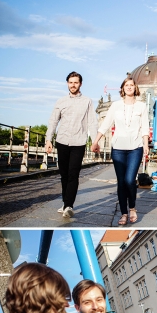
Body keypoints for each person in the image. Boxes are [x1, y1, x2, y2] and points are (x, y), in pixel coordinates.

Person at [91, 77, 150, 225]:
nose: (129, 87)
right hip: (118, 148)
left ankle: (133, 208)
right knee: (121, 182)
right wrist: (96, 140)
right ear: (122, 89)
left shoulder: (142, 106)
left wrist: (146, 144)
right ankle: (123, 213)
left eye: (131, 85)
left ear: (135, 88)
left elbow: (144, 127)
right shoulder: (115, 105)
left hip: (135, 147)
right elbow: (105, 124)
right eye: (126, 85)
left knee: (130, 180)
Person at [45, 71, 99, 219]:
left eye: (76, 82)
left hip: (78, 142)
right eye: (70, 82)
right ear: (67, 84)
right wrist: (48, 140)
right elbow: (53, 121)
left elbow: (92, 122)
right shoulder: (60, 101)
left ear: (80, 84)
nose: (73, 85)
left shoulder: (87, 101)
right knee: (64, 175)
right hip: (62, 141)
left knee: (73, 174)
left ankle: (69, 205)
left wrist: (95, 141)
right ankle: (65, 203)